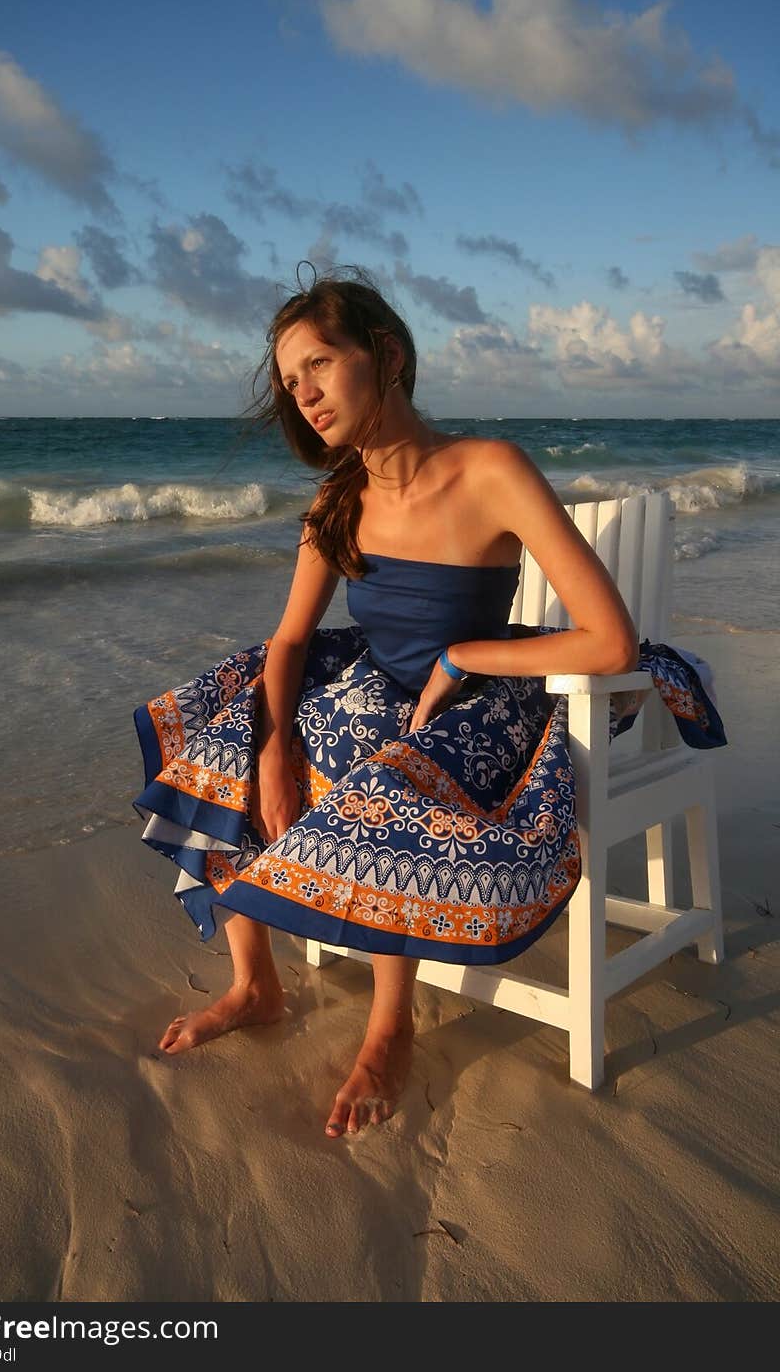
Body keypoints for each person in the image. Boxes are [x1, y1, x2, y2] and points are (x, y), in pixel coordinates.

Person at [132, 267, 717, 1139]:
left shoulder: (489, 470)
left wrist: (463, 653)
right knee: (235, 727)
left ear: (389, 355)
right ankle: (255, 982)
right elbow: (291, 638)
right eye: (292, 383)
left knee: (386, 765)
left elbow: (610, 642)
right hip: (381, 681)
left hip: (488, 698)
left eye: (320, 365)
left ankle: (389, 1024)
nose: (306, 395)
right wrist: (269, 749)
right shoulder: (339, 498)